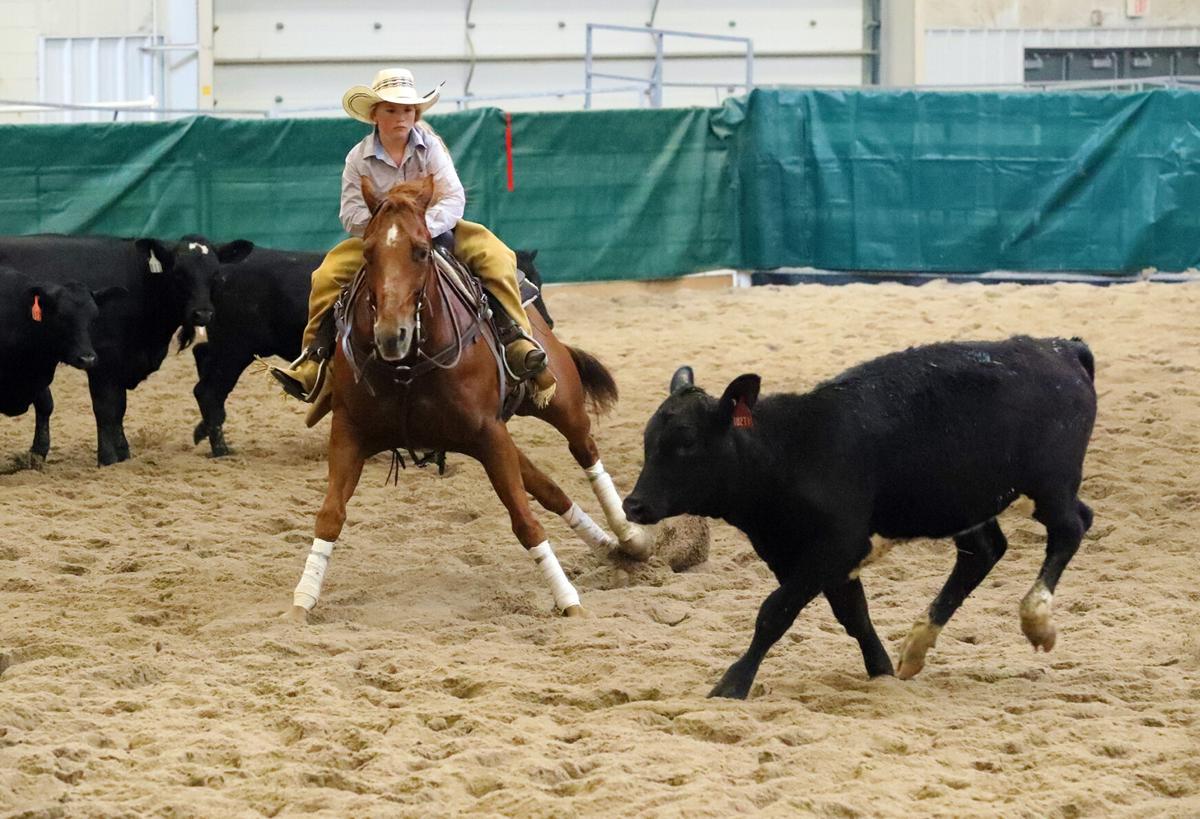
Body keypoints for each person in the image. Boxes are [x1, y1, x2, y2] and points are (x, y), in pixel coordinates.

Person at [269, 67, 553, 405]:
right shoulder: (357, 158)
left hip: (436, 230)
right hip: (379, 240)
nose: (400, 116)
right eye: (391, 109)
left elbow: (453, 198)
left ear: (415, 113)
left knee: (497, 257)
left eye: (406, 110)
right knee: (326, 276)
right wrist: (388, 231)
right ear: (375, 115)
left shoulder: (430, 147)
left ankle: (516, 339)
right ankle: (313, 359)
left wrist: (420, 229)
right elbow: (350, 213)